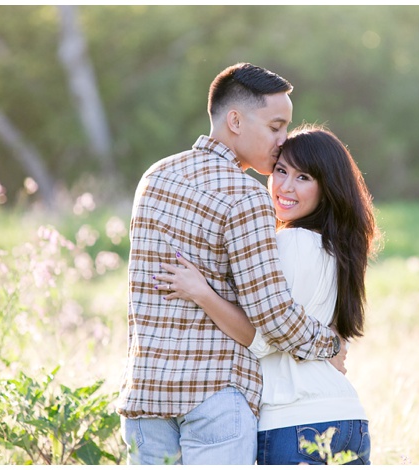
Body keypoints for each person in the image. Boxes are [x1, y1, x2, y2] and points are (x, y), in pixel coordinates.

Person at [116, 64, 344, 465]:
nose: (282, 140)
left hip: (145, 395)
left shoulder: (154, 177)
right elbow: (273, 313)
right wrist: (330, 343)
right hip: (215, 398)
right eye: (275, 126)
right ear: (235, 120)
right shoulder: (246, 196)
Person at [156, 124, 379, 465]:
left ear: (327, 187)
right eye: (281, 171)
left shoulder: (291, 243)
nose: (285, 187)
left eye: (303, 177)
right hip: (347, 418)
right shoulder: (337, 249)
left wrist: (201, 292)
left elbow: (263, 336)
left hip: (293, 422)